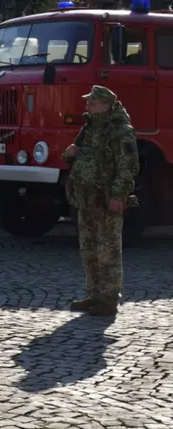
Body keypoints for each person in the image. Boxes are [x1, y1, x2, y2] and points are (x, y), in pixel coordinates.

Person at [63, 85, 139, 317]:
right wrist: (70, 154)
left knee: (109, 251)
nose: (88, 105)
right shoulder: (89, 128)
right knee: (89, 249)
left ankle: (108, 299)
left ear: (106, 104)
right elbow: (73, 156)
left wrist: (118, 196)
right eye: (89, 102)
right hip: (87, 199)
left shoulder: (121, 131)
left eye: (92, 102)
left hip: (106, 199)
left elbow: (128, 167)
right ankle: (94, 295)